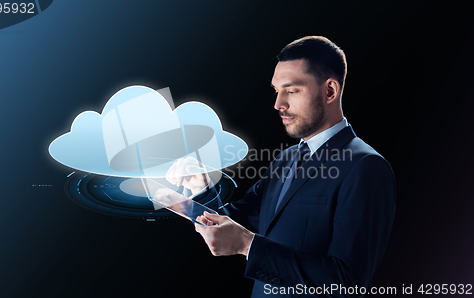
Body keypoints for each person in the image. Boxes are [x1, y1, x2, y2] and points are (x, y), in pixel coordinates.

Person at [165, 36, 396, 297]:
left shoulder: (366, 167)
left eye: (292, 90)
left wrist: (248, 246)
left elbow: (346, 282)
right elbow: (235, 222)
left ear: (330, 90)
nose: (278, 105)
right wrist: (201, 189)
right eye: (277, 91)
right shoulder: (285, 160)